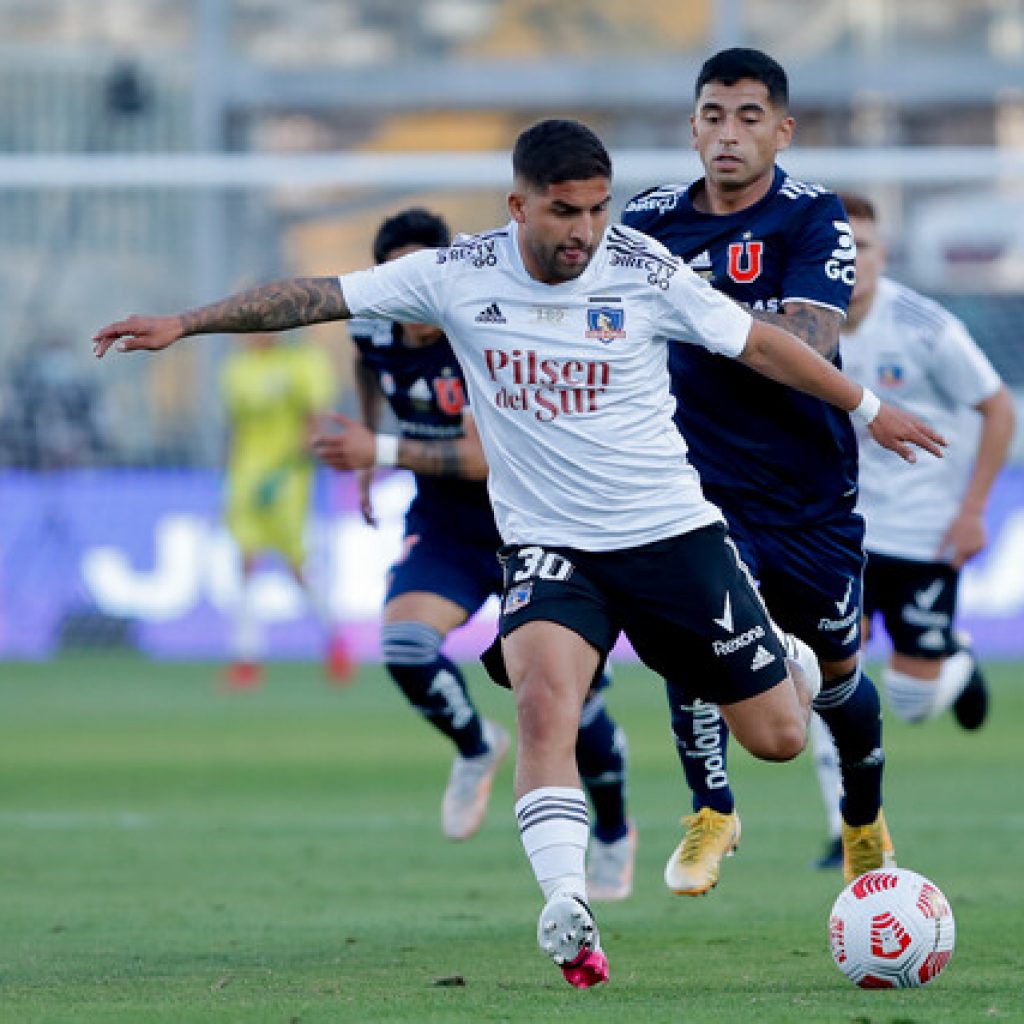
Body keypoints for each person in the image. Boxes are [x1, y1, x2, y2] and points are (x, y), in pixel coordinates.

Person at [93, 118, 943, 989]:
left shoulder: (644, 271)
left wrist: (871, 410)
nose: (584, 229)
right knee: (546, 704)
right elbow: (319, 294)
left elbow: (762, 343)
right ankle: (567, 905)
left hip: (670, 538)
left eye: (598, 210)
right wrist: (185, 324)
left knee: (777, 738)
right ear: (519, 205)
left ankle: (782, 659)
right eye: (564, 210)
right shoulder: (456, 274)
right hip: (549, 547)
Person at [622, 47, 894, 892]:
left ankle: (861, 818)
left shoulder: (814, 217)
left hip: (810, 493)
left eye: (747, 118)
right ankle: (710, 810)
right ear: (692, 126)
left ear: (783, 130)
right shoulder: (651, 221)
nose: (728, 134)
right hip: (696, 484)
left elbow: (809, 339)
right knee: (693, 645)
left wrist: (695, 307)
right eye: (712, 115)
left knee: (839, 681)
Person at [311, 208, 636, 893]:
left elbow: (485, 458)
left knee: (571, 711)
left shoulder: (481, 329)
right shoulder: (370, 324)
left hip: (532, 526)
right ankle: (475, 745)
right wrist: (370, 451)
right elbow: (369, 366)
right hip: (449, 528)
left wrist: (382, 450)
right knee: (403, 645)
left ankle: (612, 830)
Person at [808, 192, 1016, 867]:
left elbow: (997, 410)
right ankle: (848, 830)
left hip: (924, 532)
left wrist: (971, 511)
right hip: (838, 532)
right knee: (823, 676)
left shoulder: (925, 327)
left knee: (912, 701)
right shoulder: (802, 322)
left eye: (863, 247)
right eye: (841, 248)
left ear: (881, 254)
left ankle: (953, 660)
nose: (853, 260)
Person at [220, 331, 354, 689]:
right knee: (245, 560)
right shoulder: (237, 368)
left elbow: (314, 421)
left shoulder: (302, 363)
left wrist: (286, 468)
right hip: (246, 476)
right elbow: (236, 427)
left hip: (288, 479)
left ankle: (335, 639)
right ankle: (246, 657)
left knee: (297, 566)